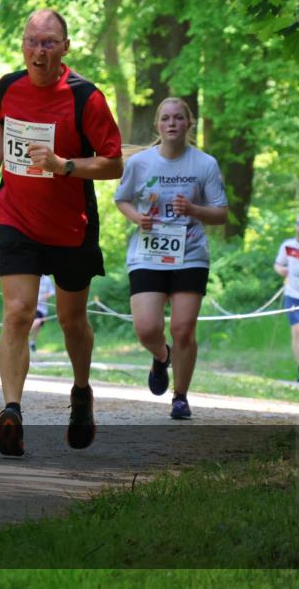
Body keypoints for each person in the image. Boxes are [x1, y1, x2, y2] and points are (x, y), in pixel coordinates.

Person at [0, 9, 123, 455]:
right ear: (22, 44)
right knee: (18, 311)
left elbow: (114, 162)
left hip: (70, 226)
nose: (38, 51)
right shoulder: (8, 86)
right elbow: (1, 122)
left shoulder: (86, 98)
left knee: (70, 319)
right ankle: (12, 412)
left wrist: (65, 167)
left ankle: (81, 392)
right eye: (31, 41)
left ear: (65, 48)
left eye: (48, 43)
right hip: (16, 216)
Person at [114, 97, 228, 420]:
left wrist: (193, 210)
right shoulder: (140, 163)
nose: (172, 123)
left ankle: (180, 396)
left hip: (190, 254)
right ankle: (161, 356)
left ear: (189, 124)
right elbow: (122, 200)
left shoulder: (205, 164)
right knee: (147, 329)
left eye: (179, 118)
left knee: (183, 328)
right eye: (166, 119)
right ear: (157, 125)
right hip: (148, 253)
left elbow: (221, 214)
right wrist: (138, 218)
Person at [274, 214, 299, 382]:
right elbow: (278, 264)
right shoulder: (288, 246)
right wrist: (281, 270)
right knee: (298, 330)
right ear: (296, 226)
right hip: (293, 295)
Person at [29, 274, 55, 353]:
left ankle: (32, 342)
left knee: (38, 327)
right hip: (34, 306)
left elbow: (52, 292)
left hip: (43, 308)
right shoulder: (33, 277)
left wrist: (43, 297)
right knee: (38, 321)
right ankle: (24, 334)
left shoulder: (47, 280)